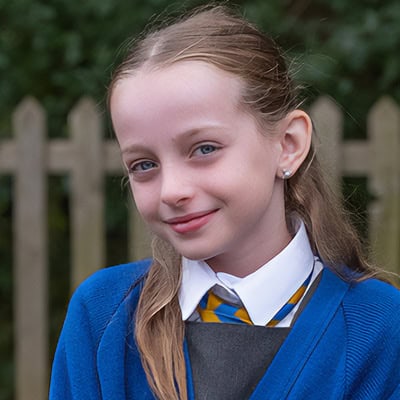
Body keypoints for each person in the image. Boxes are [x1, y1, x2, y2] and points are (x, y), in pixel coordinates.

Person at [49, 5, 400, 400]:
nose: (171, 190)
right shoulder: (102, 319)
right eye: (144, 164)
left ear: (288, 145)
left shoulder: (381, 328)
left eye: (204, 149)